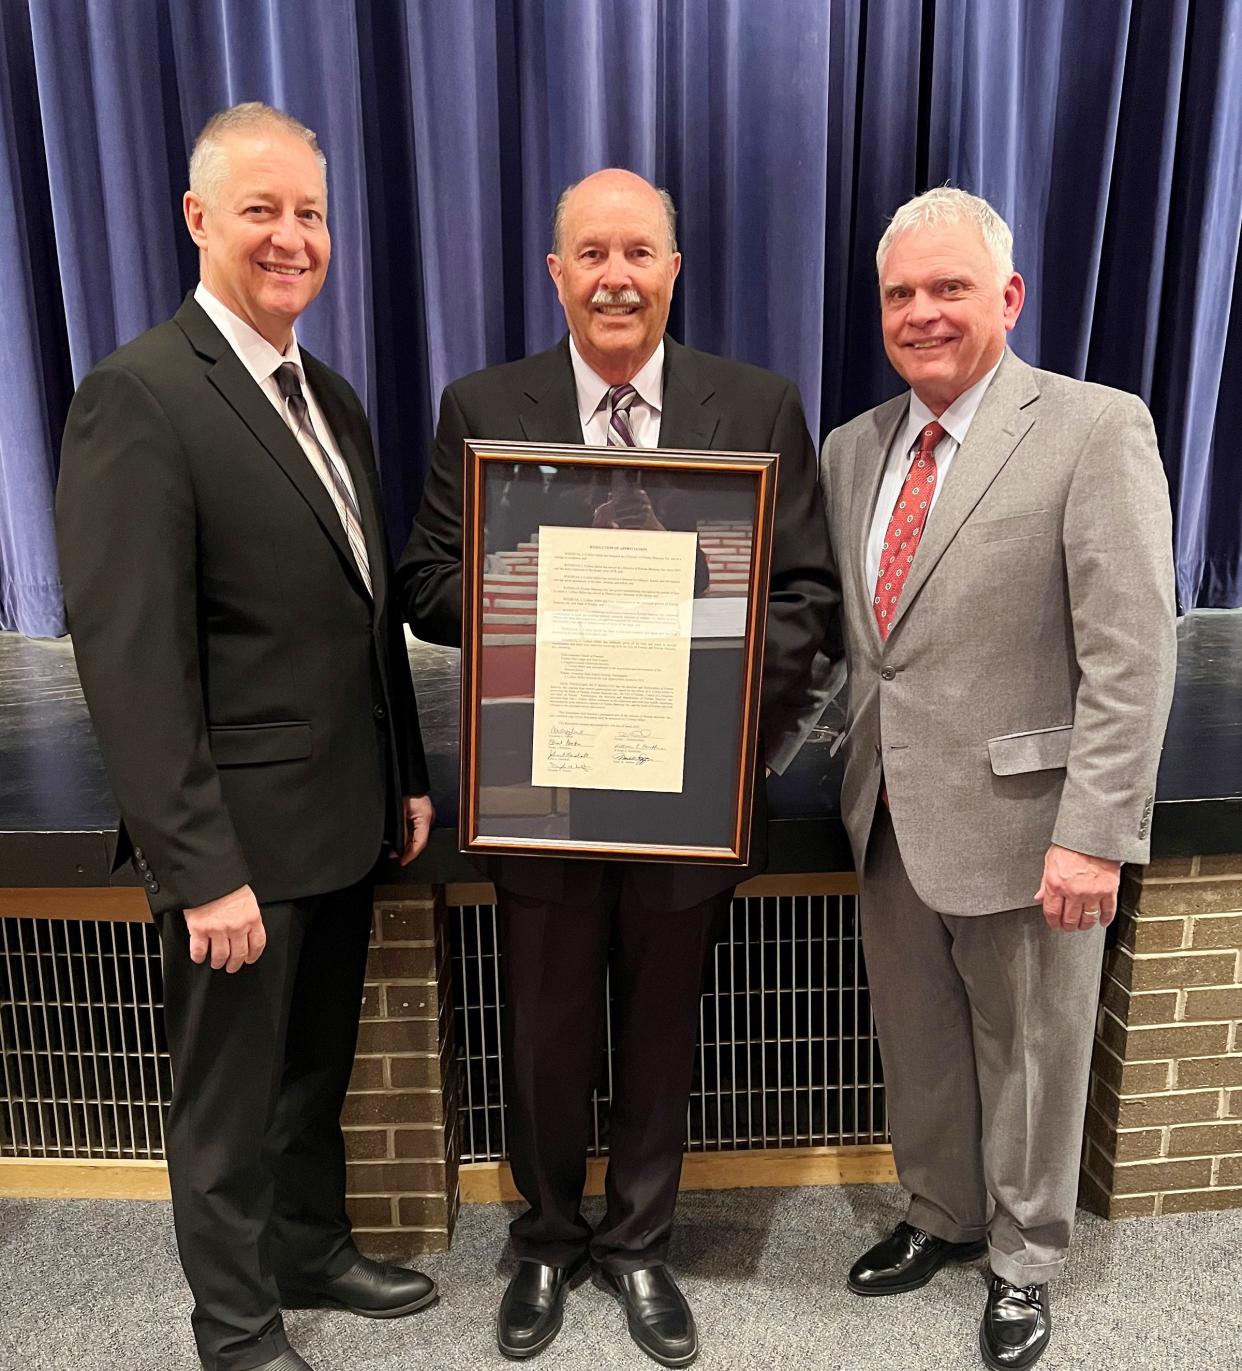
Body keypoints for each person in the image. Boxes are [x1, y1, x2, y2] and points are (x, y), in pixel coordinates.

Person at [399, 168, 838, 1367]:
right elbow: (427, 580)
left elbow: (803, 599)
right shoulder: (483, 404)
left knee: (659, 1030)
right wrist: (542, 584)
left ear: (673, 269)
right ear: (556, 274)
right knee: (540, 1033)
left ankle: (639, 1244)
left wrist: (728, 744)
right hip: (539, 776)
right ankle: (544, 1239)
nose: (615, 276)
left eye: (638, 252)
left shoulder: (752, 406)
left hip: (683, 787)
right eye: (590, 254)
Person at [56, 103, 437, 1371]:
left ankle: (310, 1249)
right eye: (263, 209)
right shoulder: (141, 395)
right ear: (197, 219)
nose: (291, 237)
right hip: (236, 840)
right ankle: (235, 1327)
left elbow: (366, 603)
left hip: (343, 814)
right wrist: (198, 862)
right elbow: (131, 659)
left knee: (312, 1071)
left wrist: (411, 774)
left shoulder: (326, 394)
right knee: (225, 1106)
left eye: (311, 212)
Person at [819, 187, 1176, 1369]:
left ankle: (1024, 1261)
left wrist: (1096, 833)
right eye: (900, 295)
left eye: (949, 288)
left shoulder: (1092, 427)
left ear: (1008, 297)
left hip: (1033, 825)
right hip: (888, 816)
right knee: (919, 1040)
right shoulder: (850, 447)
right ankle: (943, 1213)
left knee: (1031, 1056)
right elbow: (871, 643)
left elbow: (1132, 654)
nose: (921, 313)